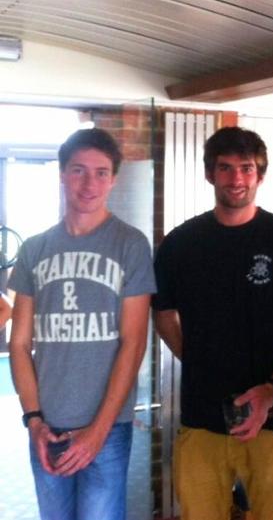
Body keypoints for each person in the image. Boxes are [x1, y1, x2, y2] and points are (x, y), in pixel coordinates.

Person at [152, 126, 273, 520]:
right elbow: (162, 314)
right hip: (200, 417)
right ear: (210, 174)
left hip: (272, 421)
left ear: (260, 175)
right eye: (225, 168)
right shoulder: (180, 243)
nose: (236, 179)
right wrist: (195, 359)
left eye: (246, 168)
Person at [8, 128, 155, 520]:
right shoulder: (34, 249)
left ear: (114, 179)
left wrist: (99, 430)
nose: (90, 183)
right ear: (61, 174)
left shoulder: (131, 245)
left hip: (106, 429)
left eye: (101, 172)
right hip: (48, 427)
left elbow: (133, 342)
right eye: (78, 171)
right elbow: (19, 344)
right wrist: (34, 420)